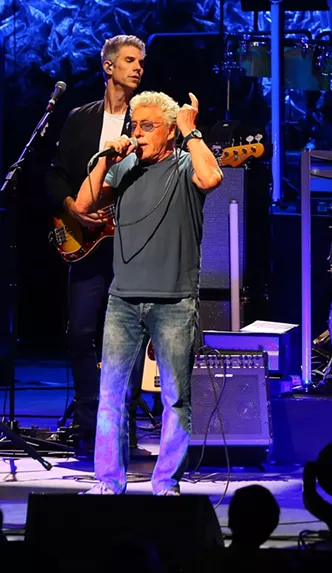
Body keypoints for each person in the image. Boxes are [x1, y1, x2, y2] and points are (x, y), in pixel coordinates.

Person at [77, 90, 223, 494]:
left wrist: (192, 131)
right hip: (122, 299)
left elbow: (212, 178)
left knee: (175, 398)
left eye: (147, 126)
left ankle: (166, 483)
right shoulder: (126, 168)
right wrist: (107, 155)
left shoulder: (183, 166)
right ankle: (108, 481)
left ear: (170, 130)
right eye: (134, 126)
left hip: (174, 301)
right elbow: (85, 204)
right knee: (111, 396)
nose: (137, 134)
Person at [45, 35, 150, 452]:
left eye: (141, 61)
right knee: (80, 332)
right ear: (108, 67)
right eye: (129, 60)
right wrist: (72, 206)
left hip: (129, 244)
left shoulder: (147, 120)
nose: (138, 67)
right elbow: (55, 174)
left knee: (130, 336)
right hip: (86, 241)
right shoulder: (79, 118)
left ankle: (122, 425)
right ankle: (89, 422)